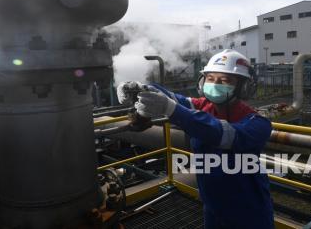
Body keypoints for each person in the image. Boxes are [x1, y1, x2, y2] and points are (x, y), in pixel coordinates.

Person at [117, 49, 274, 229]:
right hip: (212, 204)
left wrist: (172, 110)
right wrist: (140, 88)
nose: (216, 84)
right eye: (211, 78)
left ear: (244, 87)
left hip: (248, 210)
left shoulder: (259, 124)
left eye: (225, 81)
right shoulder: (202, 106)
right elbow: (173, 99)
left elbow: (223, 135)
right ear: (202, 82)